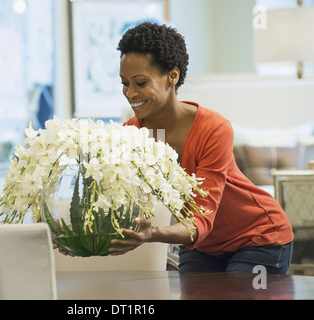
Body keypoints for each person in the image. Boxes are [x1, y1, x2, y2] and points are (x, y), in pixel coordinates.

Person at [109, 22, 294, 274]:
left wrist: (154, 233)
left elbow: (201, 218)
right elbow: (115, 198)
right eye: (124, 83)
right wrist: (73, 239)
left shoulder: (214, 128)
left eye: (140, 83)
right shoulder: (130, 134)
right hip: (201, 245)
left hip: (258, 236)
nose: (130, 93)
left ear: (172, 76)